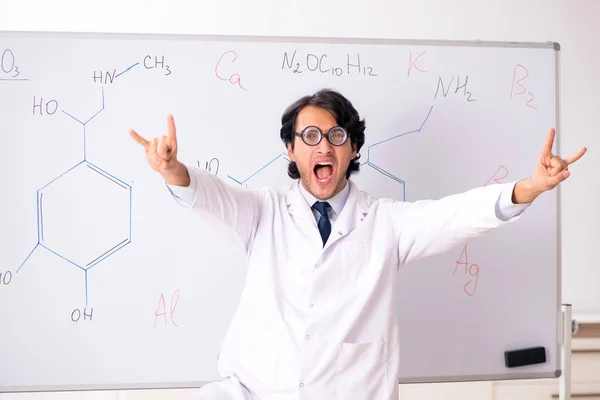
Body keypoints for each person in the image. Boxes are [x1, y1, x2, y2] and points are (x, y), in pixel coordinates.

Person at [129, 89, 586, 400]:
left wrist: (529, 188)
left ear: (352, 149)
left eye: (335, 136)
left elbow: (455, 216)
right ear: (291, 150)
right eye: (309, 137)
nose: (322, 146)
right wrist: (172, 169)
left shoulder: (385, 222)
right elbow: (209, 196)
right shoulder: (262, 213)